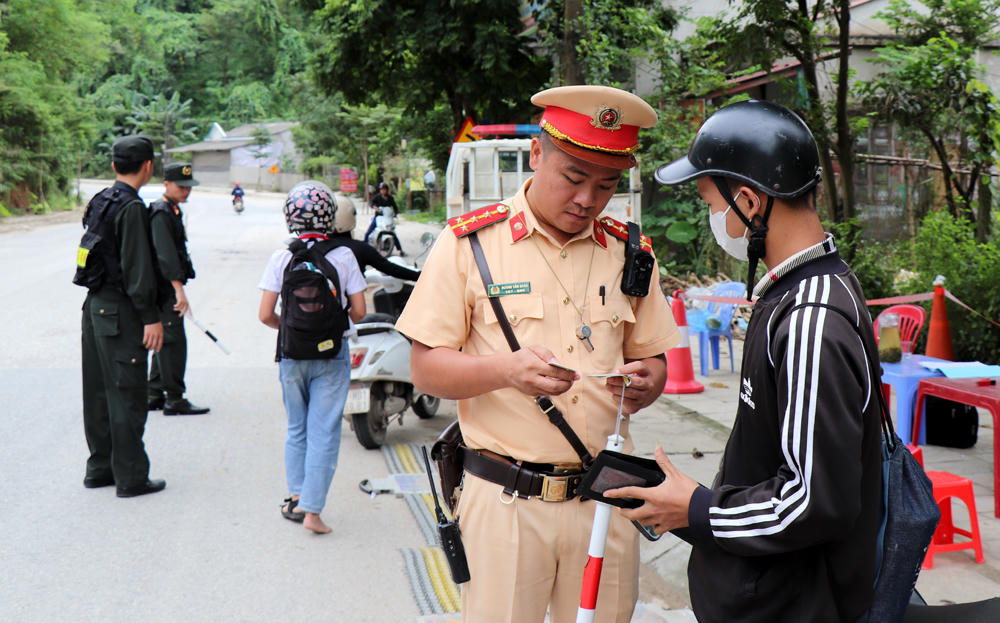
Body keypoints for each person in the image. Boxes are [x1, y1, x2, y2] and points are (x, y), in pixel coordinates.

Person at [395, 86, 679, 623]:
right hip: (506, 502)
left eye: (606, 185)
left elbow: (653, 359)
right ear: (537, 154)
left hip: (605, 500)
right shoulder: (469, 245)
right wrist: (505, 370)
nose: (587, 200)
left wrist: (648, 382)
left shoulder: (630, 251)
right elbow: (426, 368)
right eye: (574, 178)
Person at [607, 100, 883, 622]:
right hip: (767, 591)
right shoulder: (801, 288)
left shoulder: (810, 318)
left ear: (751, 202)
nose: (713, 218)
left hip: (794, 603)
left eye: (712, 202)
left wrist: (694, 508)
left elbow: (814, 501)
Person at [257, 181, 367, 535]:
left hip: (291, 356)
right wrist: (330, 328)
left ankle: (296, 497)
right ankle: (313, 513)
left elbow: (264, 314)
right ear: (329, 217)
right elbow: (361, 312)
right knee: (324, 432)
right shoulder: (344, 256)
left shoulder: (282, 256)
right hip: (332, 356)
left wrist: (291, 331)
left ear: (290, 216)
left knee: (296, 429)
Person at [77, 135, 168, 498]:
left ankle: (100, 467)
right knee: (128, 392)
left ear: (114, 166)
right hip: (121, 312)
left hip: (94, 307)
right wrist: (151, 317)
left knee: (98, 390)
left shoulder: (102, 199)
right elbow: (137, 270)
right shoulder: (132, 208)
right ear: (148, 167)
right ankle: (130, 476)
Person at [147, 162, 210, 415]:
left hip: (164, 287)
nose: (186, 191)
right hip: (165, 288)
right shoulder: (161, 213)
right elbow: (165, 256)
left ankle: (153, 393)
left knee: (165, 337)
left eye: (188, 186)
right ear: (166, 184)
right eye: (180, 186)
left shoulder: (171, 210)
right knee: (173, 341)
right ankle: (174, 398)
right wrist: (178, 291)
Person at [327, 194, 421, 282]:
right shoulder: (362, 249)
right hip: (353, 298)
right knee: (369, 233)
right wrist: (419, 276)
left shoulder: (316, 246)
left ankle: (400, 249)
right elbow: (390, 269)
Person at [364, 182, 404, 254]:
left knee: (392, 233)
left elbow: (395, 207)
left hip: (387, 219)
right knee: (368, 232)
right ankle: (363, 246)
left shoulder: (390, 198)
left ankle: (400, 250)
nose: (383, 191)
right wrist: (374, 207)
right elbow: (371, 202)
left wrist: (395, 213)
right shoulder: (377, 197)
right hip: (378, 218)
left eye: (384, 189)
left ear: (387, 190)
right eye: (381, 189)